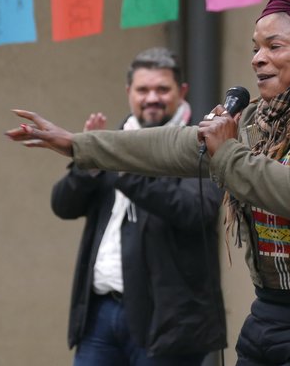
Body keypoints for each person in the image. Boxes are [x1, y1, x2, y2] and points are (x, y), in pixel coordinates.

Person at [6, 0, 290, 365]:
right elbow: (171, 145)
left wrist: (228, 153)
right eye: (255, 47)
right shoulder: (259, 117)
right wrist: (78, 144)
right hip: (273, 314)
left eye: (274, 46)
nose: (257, 58)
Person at [48, 47, 226, 365]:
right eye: (143, 90)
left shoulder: (203, 142)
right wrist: (87, 166)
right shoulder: (113, 141)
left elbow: (195, 211)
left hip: (170, 319)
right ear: (129, 92)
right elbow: (62, 205)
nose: (152, 98)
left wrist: (127, 173)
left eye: (162, 89)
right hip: (101, 315)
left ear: (181, 91)